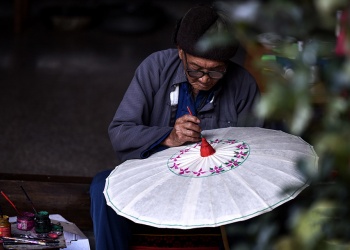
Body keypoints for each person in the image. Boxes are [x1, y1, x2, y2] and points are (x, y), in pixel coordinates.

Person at [90, 4, 264, 250]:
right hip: (155, 179)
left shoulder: (242, 84)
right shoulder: (155, 69)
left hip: (216, 188)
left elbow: (256, 149)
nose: (205, 79)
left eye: (216, 71)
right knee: (102, 187)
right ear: (181, 52)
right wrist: (168, 136)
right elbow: (120, 132)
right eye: (196, 69)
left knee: (257, 206)